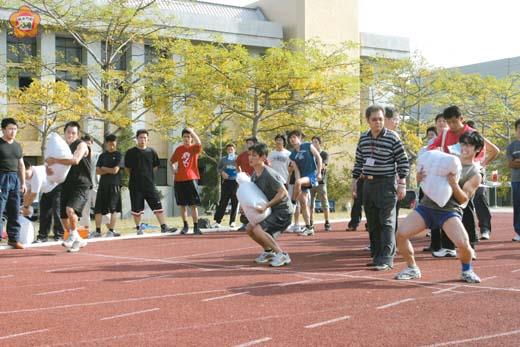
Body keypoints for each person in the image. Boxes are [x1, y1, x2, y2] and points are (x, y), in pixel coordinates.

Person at [395, 131, 484, 283]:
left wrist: (454, 184)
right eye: (463, 144)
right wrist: (419, 178)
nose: (464, 148)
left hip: (449, 212)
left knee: (463, 244)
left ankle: (467, 271)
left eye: (469, 145)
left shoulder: (475, 172)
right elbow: (427, 178)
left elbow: (464, 199)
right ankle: (412, 268)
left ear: (477, 149)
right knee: (401, 234)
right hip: (426, 207)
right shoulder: (446, 160)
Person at [428, 106, 498, 257]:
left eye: (454, 122)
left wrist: (479, 166)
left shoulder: (472, 134)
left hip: (468, 173)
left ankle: (470, 246)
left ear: (461, 119)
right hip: (450, 174)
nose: (452, 125)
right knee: (446, 208)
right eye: (449, 122)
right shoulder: (446, 133)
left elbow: (482, 153)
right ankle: (448, 247)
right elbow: (433, 146)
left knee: (465, 208)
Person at [352, 105, 409, 271]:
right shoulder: (363, 138)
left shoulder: (392, 138)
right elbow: (359, 162)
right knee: (373, 222)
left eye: (381, 119)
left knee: (387, 222)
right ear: (368, 121)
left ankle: (386, 258)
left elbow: (403, 161)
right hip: (368, 184)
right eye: (374, 119)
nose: (378, 122)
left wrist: (402, 184)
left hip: (387, 184)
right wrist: (354, 181)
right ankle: (377, 257)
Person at [46, 121, 91, 252]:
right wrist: (48, 168)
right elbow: (49, 161)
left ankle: (73, 236)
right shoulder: (62, 147)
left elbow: (75, 160)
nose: (70, 135)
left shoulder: (81, 145)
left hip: (81, 184)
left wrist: (54, 160)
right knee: (64, 218)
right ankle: (77, 238)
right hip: (66, 184)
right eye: (68, 132)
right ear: (64, 133)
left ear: (78, 134)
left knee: (70, 210)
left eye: (74, 133)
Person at [247, 143, 293, 267]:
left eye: (254, 155)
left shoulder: (269, 174)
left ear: (263, 158)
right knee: (249, 228)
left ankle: (282, 254)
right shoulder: (254, 175)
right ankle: (268, 251)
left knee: (258, 228)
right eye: (249, 155)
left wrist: (267, 205)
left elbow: (283, 192)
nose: (250, 158)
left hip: (283, 211)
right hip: (272, 210)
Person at [124, 129, 177, 235]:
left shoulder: (151, 152)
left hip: (149, 185)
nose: (142, 139)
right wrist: (136, 177)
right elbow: (127, 168)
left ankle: (164, 226)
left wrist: (147, 176)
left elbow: (155, 167)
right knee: (137, 209)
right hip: (135, 186)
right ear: (137, 138)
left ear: (148, 139)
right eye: (140, 137)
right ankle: (139, 228)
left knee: (157, 205)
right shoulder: (130, 152)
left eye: (144, 137)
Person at [288, 130, 323, 236]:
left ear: (299, 138)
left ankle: (292, 204)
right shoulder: (292, 155)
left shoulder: (308, 146)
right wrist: (299, 183)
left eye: (294, 137)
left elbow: (319, 157)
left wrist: (319, 173)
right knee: (303, 202)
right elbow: (297, 171)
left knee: (298, 183)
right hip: (302, 178)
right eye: (290, 138)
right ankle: (309, 227)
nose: (292, 139)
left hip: (312, 175)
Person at [171, 128, 203, 235]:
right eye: (184, 136)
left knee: (193, 205)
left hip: (191, 179)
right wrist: (173, 169)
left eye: (188, 137)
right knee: (182, 205)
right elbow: (171, 161)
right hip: (179, 180)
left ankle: (196, 227)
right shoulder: (179, 149)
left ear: (191, 139)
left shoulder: (194, 148)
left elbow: (199, 142)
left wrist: (193, 132)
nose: (186, 138)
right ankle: (185, 226)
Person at [0, 118, 26, 249]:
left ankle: (14, 239)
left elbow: (21, 164)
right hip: (1, 178)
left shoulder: (17, 146)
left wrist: (23, 183)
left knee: (15, 210)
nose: (13, 131)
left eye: (15, 129)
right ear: (3, 129)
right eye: (10, 129)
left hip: (14, 179)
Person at [22, 161, 64, 242]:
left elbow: (33, 195)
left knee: (57, 213)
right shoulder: (24, 176)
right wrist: (25, 206)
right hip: (46, 191)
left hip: (57, 188)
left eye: (26, 174)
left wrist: (26, 207)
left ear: (30, 168)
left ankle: (60, 235)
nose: (26, 177)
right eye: (24, 175)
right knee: (44, 213)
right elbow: (27, 193)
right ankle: (42, 236)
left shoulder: (36, 174)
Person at [93, 134, 122, 237]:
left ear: (116, 143)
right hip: (102, 185)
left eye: (113, 144)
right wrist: (107, 169)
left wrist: (104, 168)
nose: (112, 146)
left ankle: (111, 230)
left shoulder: (118, 155)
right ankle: (97, 231)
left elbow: (115, 170)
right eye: (110, 144)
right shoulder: (102, 156)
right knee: (98, 208)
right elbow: (97, 171)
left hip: (114, 184)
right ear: (106, 144)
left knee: (114, 208)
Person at [212, 143, 239, 229]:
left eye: (232, 149)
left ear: (234, 150)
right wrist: (222, 173)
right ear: (226, 151)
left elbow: (242, 168)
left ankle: (233, 221)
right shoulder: (223, 159)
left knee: (235, 201)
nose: (230, 151)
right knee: (223, 201)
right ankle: (218, 221)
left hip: (235, 182)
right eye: (228, 149)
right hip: (226, 182)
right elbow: (218, 168)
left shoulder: (238, 158)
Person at [236, 137, 258, 231]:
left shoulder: (258, 154)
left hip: (256, 181)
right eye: (247, 143)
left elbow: (266, 165)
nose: (248, 145)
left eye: (250, 143)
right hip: (246, 181)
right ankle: (244, 222)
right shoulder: (243, 155)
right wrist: (240, 174)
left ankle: (256, 222)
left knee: (254, 202)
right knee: (245, 201)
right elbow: (237, 163)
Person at [80, 135, 100, 235]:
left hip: (96, 186)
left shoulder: (97, 156)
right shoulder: (80, 157)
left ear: (92, 143)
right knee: (85, 211)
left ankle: (100, 230)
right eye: (85, 143)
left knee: (100, 208)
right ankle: (86, 231)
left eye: (89, 143)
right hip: (84, 188)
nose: (87, 145)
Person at [309, 136, 331, 231]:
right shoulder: (310, 154)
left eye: (316, 142)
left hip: (321, 182)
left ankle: (327, 222)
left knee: (324, 203)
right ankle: (310, 222)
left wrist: (315, 171)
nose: (314, 143)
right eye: (312, 142)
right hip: (310, 181)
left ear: (319, 143)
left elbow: (323, 166)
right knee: (310, 203)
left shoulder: (324, 154)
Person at [507, 119, 520, 242]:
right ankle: (518, 231)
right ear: (516, 131)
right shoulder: (511, 146)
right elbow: (511, 164)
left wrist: (517, 161)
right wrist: (515, 162)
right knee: (517, 206)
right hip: (516, 180)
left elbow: (516, 162)